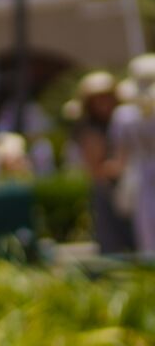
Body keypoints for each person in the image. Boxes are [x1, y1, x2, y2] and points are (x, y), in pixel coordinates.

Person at [71, 71, 131, 255]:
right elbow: (98, 170)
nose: (104, 103)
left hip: (130, 187)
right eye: (98, 99)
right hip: (108, 191)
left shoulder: (123, 120)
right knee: (113, 243)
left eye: (107, 97)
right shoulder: (89, 129)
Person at [109, 56, 155, 254]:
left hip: (141, 176)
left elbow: (120, 158)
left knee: (147, 235)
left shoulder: (124, 115)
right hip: (142, 176)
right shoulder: (126, 115)